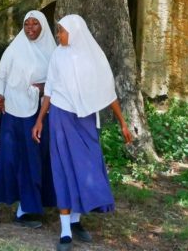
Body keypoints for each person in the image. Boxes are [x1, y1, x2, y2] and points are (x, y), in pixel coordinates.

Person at [32, 14, 133, 251]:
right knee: (63, 168)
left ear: (75, 32)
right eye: (57, 31)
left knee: (86, 167)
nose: (58, 35)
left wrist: (123, 123)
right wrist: (39, 120)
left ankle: (76, 220)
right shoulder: (58, 55)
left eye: (62, 31)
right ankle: (66, 230)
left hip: (84, 119)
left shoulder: (93, 57)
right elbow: (49, 90)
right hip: (60, 116)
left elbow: (109, 93)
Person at [0, 10, 57, 228]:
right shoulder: (15, 48)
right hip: (12, 110)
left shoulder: (52, 53)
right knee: (7, 157)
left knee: (32, 159)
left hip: (37, 113)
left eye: (35, 24)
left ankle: (25, 209)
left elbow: (57, 82)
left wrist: (42, 87)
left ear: (43, 26)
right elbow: (1, 75)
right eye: (27, 24)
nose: (30, 29)